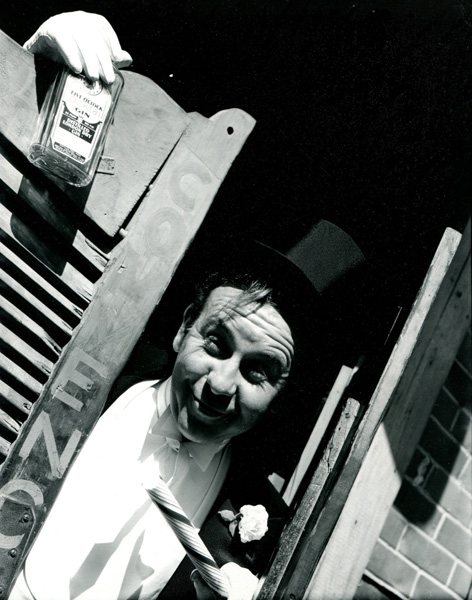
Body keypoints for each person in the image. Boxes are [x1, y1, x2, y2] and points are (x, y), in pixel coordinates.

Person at [11, 15, 328, 600]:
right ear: (184, 328)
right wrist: (34, 72)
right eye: (217, 343)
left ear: (282, 396)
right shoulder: (79, 350)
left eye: (259, 372)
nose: (221, 385)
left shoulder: (252, 528)